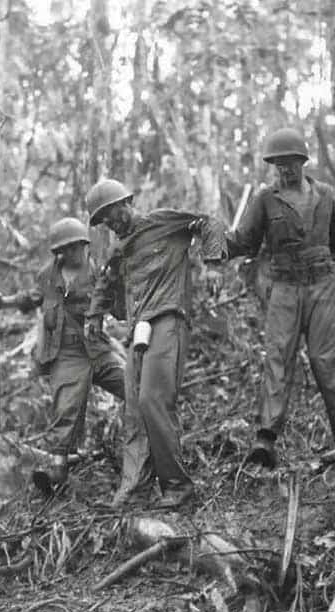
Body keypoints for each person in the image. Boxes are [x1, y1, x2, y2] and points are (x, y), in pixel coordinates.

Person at [226, 128, 335, 469]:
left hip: (323, 284)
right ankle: (265, 440)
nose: (285, 169)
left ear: (302, 162)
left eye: (291, 162)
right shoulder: (265, 199)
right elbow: (245, 242)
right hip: (284, 288)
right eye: (279, 163)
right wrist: (216, 243)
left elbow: (334, 242)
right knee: (279, 357)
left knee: (329, 358)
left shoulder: (324, 195)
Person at [84, 178, 223, 509]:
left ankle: (178, 486)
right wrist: (94, 315)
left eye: (113, 212)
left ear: (127, 202)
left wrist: (214, 263)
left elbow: (208, 221)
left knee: (152, 400)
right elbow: (106, 282)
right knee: (133, 410)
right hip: (138, 332)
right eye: (103, 219)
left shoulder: (163, 222)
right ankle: (133, 491)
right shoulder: (119, 249)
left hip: (168, 319)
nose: (111, 222)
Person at [0, 217, 127, 493]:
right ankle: (58, 469)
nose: (70, 254)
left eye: (75, 247)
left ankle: (145, 450)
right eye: (64, 249)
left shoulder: (99, 273)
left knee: (135, 387)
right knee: (66, 406)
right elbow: (31, 297)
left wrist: (119, 285)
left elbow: (120, 310)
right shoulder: (47, 276)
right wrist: (2, 302)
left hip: (97, 347)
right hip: (64, 352)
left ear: (84, 245)